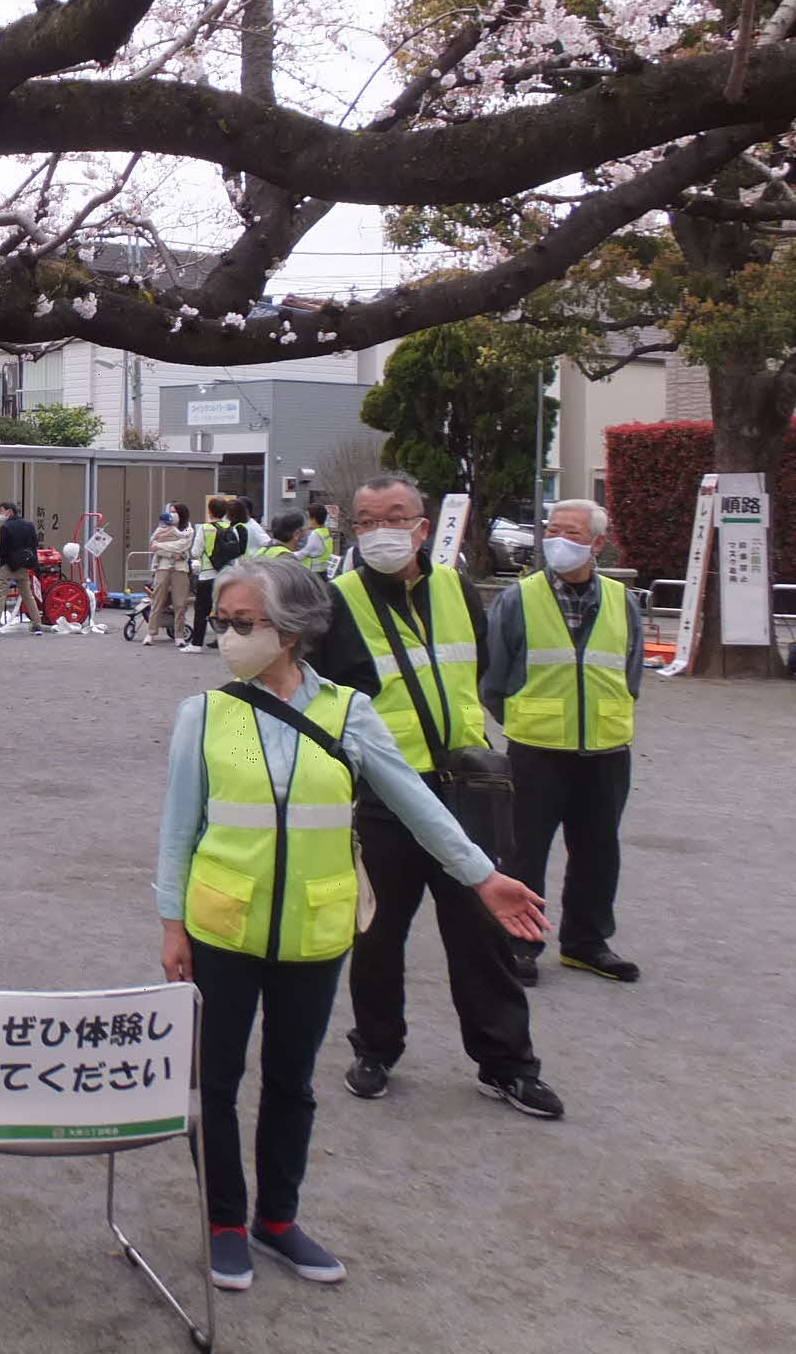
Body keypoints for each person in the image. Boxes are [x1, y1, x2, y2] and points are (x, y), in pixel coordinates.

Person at [157, 555, 547, 1293]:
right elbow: (179, 830)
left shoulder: (348, 711)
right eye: (221, 622)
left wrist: (482, 875)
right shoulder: (203, 715)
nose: (228, 637)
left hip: (315, 930)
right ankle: (224, 1222)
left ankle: (278, 1218)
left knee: (292, 1082)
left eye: (245, 623)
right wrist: (172, 923)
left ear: (292, 631)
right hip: (222, 931)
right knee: (216, 1081)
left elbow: (416, 802)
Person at [316, 473, 563, 1119]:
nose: (381, 532)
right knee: (376, 936)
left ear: (423, 526)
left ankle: (506, 1064)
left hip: (467, 791)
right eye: (366, 522)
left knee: (482, 932)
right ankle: (375, 1048)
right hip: (383, 797)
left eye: (395, 517)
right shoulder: (335, 601)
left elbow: (474, 671)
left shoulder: (457, 589)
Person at [482, 499, 644, 986]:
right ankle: (520, 944)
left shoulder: (622, 600)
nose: (558, 540)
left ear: (597, 543)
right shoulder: (518, 599)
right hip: (536, 749)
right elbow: (493, 678)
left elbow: (630, 673)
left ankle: (587, 943)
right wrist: (527, 717)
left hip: (606, 749)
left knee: (598, 849)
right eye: (552, 530)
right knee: (525, 851)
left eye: (572, 533)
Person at [181, 497, 246, 653]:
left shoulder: (205, 528)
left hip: (207, 575)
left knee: (202, 610)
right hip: (226, 575)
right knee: (223, 610)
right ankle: (228, 642)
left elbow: (195, 552)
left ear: (210, 511)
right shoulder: (232, 527)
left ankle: (196, 644)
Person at [0, 500, 43, 634]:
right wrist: (33, 563)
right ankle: (37, 624)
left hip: (8, 565)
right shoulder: (29, 524)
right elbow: (34, 545)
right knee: (27, 595)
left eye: (1, 511)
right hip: (24, 564)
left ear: (9, 511)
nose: (0, 514)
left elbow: (3, 549)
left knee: (1, 594)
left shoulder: (6, 527)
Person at [144, 504, 193, 644]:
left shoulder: (188, 529)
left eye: (175, 512)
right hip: (162, 567)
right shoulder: (162, 527)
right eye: (170, 512)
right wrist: (171, 552)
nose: (172, 514)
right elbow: (153, 545)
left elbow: (184, 545)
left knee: (180, 603)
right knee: (157, 600)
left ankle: (179, 635)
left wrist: (162, 546)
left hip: (181, 569)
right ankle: (151, 633)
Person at [299, 503, 336, 577]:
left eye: (308, 517)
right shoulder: (325, 531)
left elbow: (304, 553)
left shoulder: (315, 535)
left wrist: (288, 555)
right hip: (323, 573)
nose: (307, 520)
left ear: (314, 519)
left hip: (313, 575)